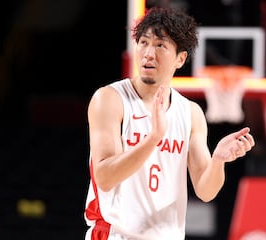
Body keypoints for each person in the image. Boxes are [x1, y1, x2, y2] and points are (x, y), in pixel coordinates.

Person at [83, 6, 255, 240]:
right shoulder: (110, 99)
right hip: (115, 234)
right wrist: (154, 138)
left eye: (160, 45)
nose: (148, 53)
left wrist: (218, 161)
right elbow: (104, 177)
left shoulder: (191, 113)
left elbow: (206, 191)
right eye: (143, 42)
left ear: (180, 58)